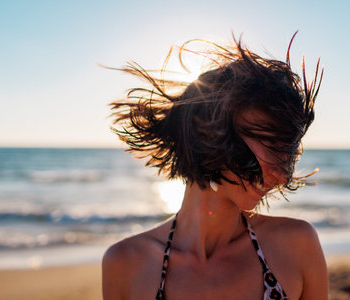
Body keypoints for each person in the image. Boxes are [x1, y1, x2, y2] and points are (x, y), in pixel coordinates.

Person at [102, 32, 328, 300]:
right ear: (206, 133)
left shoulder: (297, 245)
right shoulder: (125, 264)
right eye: (268, 146)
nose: (280, 176)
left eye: (287, 155)